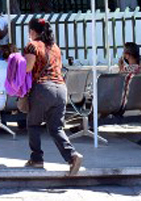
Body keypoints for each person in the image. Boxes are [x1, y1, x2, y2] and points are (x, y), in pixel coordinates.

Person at [22, 17, 82, 176]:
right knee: (56, 128)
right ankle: (72, 156)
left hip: (42, 89)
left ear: (32, 31)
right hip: (61, 90)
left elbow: (27, 68)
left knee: (33, 124)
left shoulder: (32, 46)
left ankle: (36, 159)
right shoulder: (55, 47)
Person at [117, 42, 141, 106]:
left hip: (128, 101)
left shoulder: (126, 70)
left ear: (127, 55)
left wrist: (120, 68)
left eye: (124, 52)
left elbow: (117, 85)